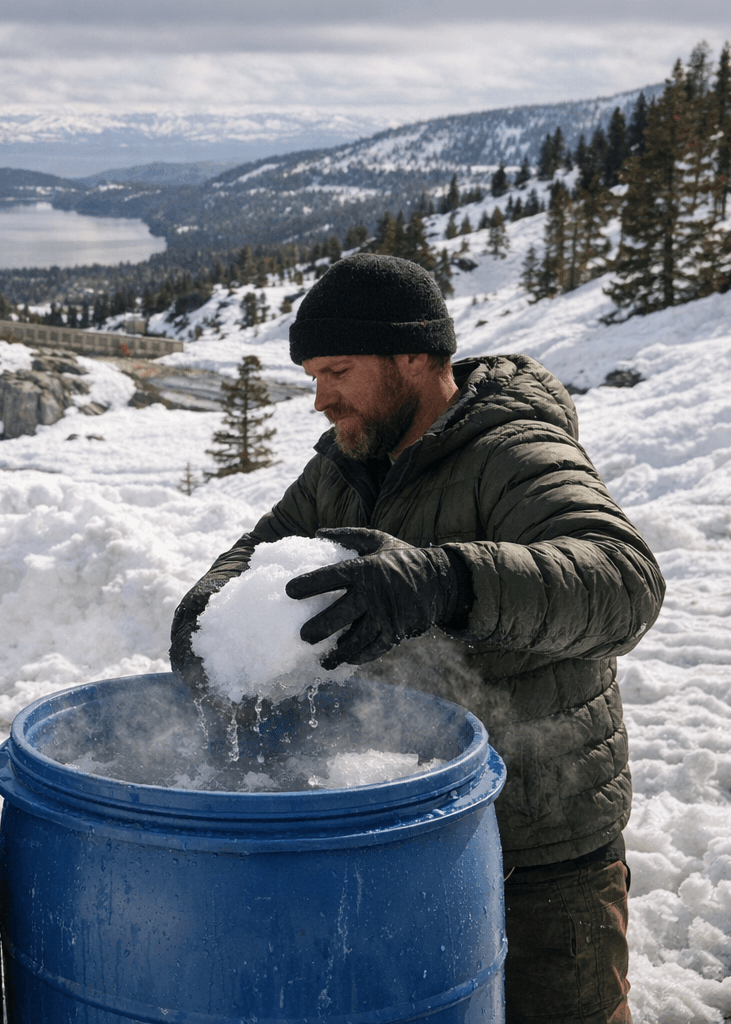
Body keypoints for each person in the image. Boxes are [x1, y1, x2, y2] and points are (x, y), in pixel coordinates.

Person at [170, 253, 663, 1024]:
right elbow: (259, 550)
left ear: (413, 357)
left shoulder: (512, 451)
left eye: (337, 371)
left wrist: (446, 581)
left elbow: (623, 583)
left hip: (537, 841)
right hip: (409, 827)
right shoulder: (349, 462)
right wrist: (207, 612)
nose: (320, 399)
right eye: (312, 378)